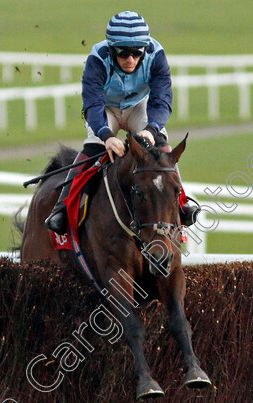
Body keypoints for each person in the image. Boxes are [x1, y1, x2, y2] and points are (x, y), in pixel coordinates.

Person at [46, 11, 173, 235]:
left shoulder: (157, 55)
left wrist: (151, 130)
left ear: (146, 48)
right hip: (106, 107)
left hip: (138, 106)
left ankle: (181, 203)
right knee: (94, 145)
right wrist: (107, 136)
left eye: (137, 52)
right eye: (123, 53)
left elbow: (162, 99)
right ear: (112, 49)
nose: (130, 59)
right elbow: (92, 105)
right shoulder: (97, 58)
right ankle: (62, 209)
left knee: (162, 145)